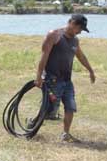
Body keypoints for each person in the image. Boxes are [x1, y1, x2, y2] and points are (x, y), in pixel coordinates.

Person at [35, 14, 96, 142]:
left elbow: (81, 56)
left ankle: (66, 134)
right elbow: (44, 56)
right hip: (52, 79)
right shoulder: (54, 35)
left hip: (67, 80)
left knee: (70, 107)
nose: (80, 32)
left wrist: (90, 70)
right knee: (49, 111)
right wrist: (39, 76)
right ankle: (32, 125)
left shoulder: (75, 41)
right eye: (79, 28)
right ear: (72, 23)